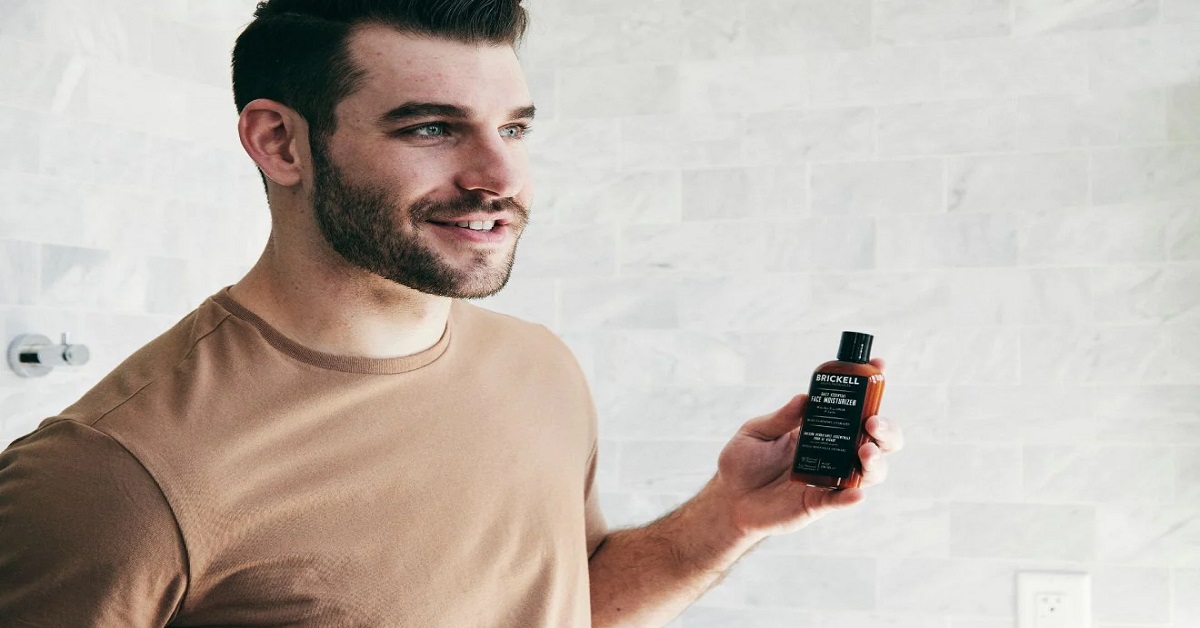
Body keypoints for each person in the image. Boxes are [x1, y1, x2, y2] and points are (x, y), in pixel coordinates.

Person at [0, 1, 904, 626]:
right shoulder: (113, 476)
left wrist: (729, 516)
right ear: (280, 142)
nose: (500, 178)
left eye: (513, 128)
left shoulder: (538, 367)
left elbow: (563, 606)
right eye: (431, 128)